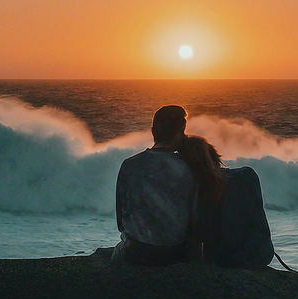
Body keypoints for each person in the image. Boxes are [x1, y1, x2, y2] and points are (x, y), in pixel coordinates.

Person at [112, 105, 197, 266]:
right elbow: (195, 222)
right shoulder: (189, 167)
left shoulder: (129, 165)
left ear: (153, 131)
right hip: (176, 253)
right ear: (181, 131)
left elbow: (121, 222)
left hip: (136, 253)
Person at [179, 135, 274, 270]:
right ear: (215, 159)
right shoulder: (244, 177)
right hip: (253, 256)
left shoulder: (186, 185)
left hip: (216, 260)